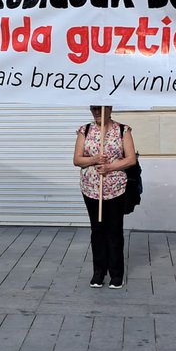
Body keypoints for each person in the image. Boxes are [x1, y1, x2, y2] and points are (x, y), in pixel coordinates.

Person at [74, 105, 137, 289]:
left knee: (114, 230)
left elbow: (131, 159)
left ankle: (116, 274)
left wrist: (110, 167)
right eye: (93, 108)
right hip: (91, 189)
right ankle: (98, 273)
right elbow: (77, 159)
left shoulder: (123, 130)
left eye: (99, 108)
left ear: (109, 108)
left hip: (116, 188)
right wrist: (94, 159)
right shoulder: (85, 130)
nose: (96, 112)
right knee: (97, 230)